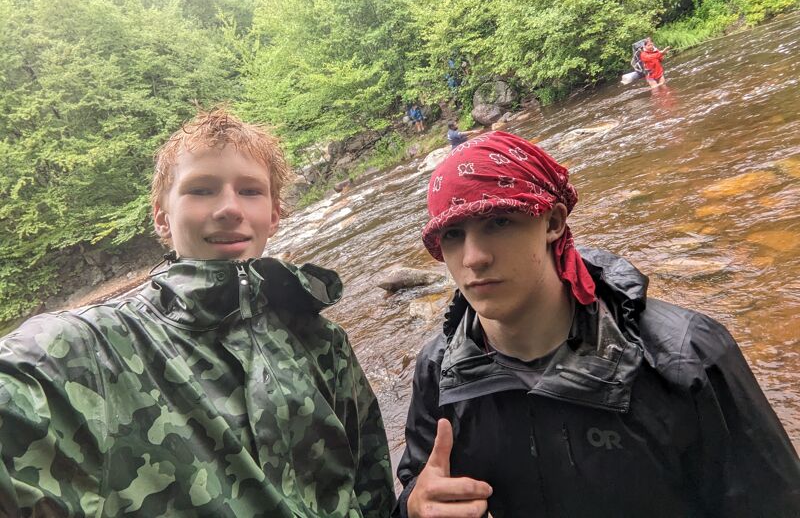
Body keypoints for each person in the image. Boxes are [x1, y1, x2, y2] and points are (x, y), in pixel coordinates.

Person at [0, 108, 395, 517]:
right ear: (162, 218)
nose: (229, 208)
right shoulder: (92, 351)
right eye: (201, 190)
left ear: (274, 215)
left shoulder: (325, 343)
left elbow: (372, 489)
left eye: (250, 191)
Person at [394, 130, 800, 518]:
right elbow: (419, 480)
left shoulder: (682, 357)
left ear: (552, 222)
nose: (473, 257)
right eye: (452, 234)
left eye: (499, 222)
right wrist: (415, 505)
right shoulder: (439, 369)